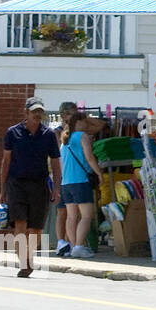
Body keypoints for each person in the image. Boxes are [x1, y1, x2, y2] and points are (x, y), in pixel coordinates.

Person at [0, 98, 62, 277]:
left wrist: (56, 188)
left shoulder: (48, 134)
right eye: (34, 111)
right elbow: (6, 161)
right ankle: (25, 263)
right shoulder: (13, 133)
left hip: (39, 184)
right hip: (16, 183)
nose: (37, 115)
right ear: (25, 112)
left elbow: (56, 163)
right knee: (20, 222)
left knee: (36, 227)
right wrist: (3, 189)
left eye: (40, 111)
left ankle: (29, 256)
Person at [59, 111, 104, 259]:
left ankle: (73, 246)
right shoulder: (82, 137)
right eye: (86, 122)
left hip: (66, 183)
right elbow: (89, 158)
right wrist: (99, 173)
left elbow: (61, 164)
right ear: (79, 122)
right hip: (80, 181)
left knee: (71, 217)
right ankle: (79, 246)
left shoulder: (64, 140)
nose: (87, 125)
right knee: (86, 216)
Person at [53, 102, 78, 257]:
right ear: (63, 115)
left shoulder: (77, 131)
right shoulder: (57, 133)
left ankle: (69, 242)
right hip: (61, 176)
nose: (74, 117)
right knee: (62, 212)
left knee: (73, 213)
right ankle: (61, 241)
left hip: (72, 175)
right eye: (71, 114)